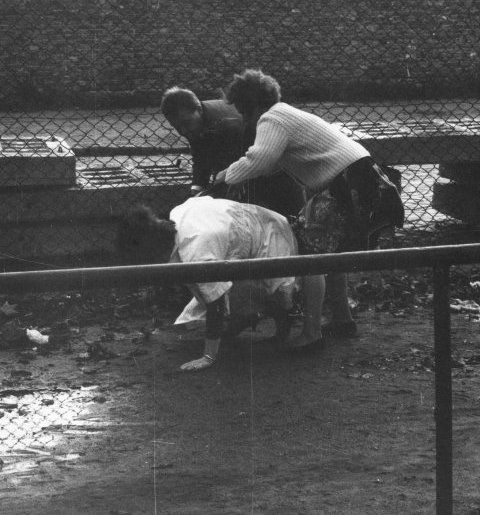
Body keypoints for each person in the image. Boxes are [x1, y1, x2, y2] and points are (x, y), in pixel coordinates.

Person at [215, 69, 404, 353]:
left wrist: (225, 176)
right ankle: (342, 319)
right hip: (361, 178)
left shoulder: (272, 117)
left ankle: (312, 334)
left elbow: (262, 160)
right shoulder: (286, 113)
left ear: (254, 104)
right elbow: (279, 162)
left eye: (244, 110)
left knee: (310, 253)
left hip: (346, 183)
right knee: (329, 253)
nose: (245, 119)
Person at [117, 196, 298, 372]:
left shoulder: (198, 251)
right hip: (242, 232)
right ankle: (243, 318)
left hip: (269, 232)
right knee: (215, 287)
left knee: (279, 294)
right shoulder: (176, 215)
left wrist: (208, 357)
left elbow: (216, 302)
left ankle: (281, 336)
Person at [160, 86, 304, 217]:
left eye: (186, 123)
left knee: (281, 211)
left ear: (198, 108)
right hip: (249, 161)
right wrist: (196, 191)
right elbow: (201, 158)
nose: (183, 131)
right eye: (177, 126)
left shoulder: (226, 124)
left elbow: (246, 164)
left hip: (273, 163)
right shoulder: (195, 123)